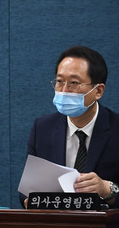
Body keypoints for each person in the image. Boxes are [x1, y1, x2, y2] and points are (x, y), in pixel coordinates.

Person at [22, 46, 119, 208]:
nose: (64, 90)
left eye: (74, 83)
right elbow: (26, 191)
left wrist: (108, 190)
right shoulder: (42, 128)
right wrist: (31, 200)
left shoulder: (115, 129)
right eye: (60, 82)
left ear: (98, 91)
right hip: (56, 222)